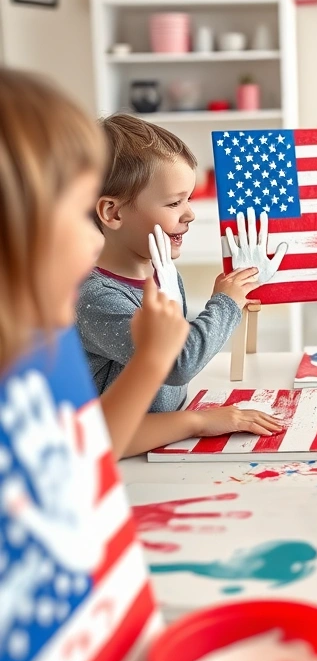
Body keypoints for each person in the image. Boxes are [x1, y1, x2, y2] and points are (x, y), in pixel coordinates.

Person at [0, 67, 189, 459]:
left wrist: (154, 364)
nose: (93, 236)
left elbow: (86, 443)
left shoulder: (41, 337)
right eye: (77, 211)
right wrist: (154, 360)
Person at [76, 113, 282, 455]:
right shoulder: (96, 298)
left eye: (188, 199)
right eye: (174, 203)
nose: (189, 214)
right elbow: (177, 364)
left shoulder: (164, 275)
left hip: (159, 439)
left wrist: (239, 287)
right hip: (115, 453)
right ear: (112, 213)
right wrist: (226, 303)